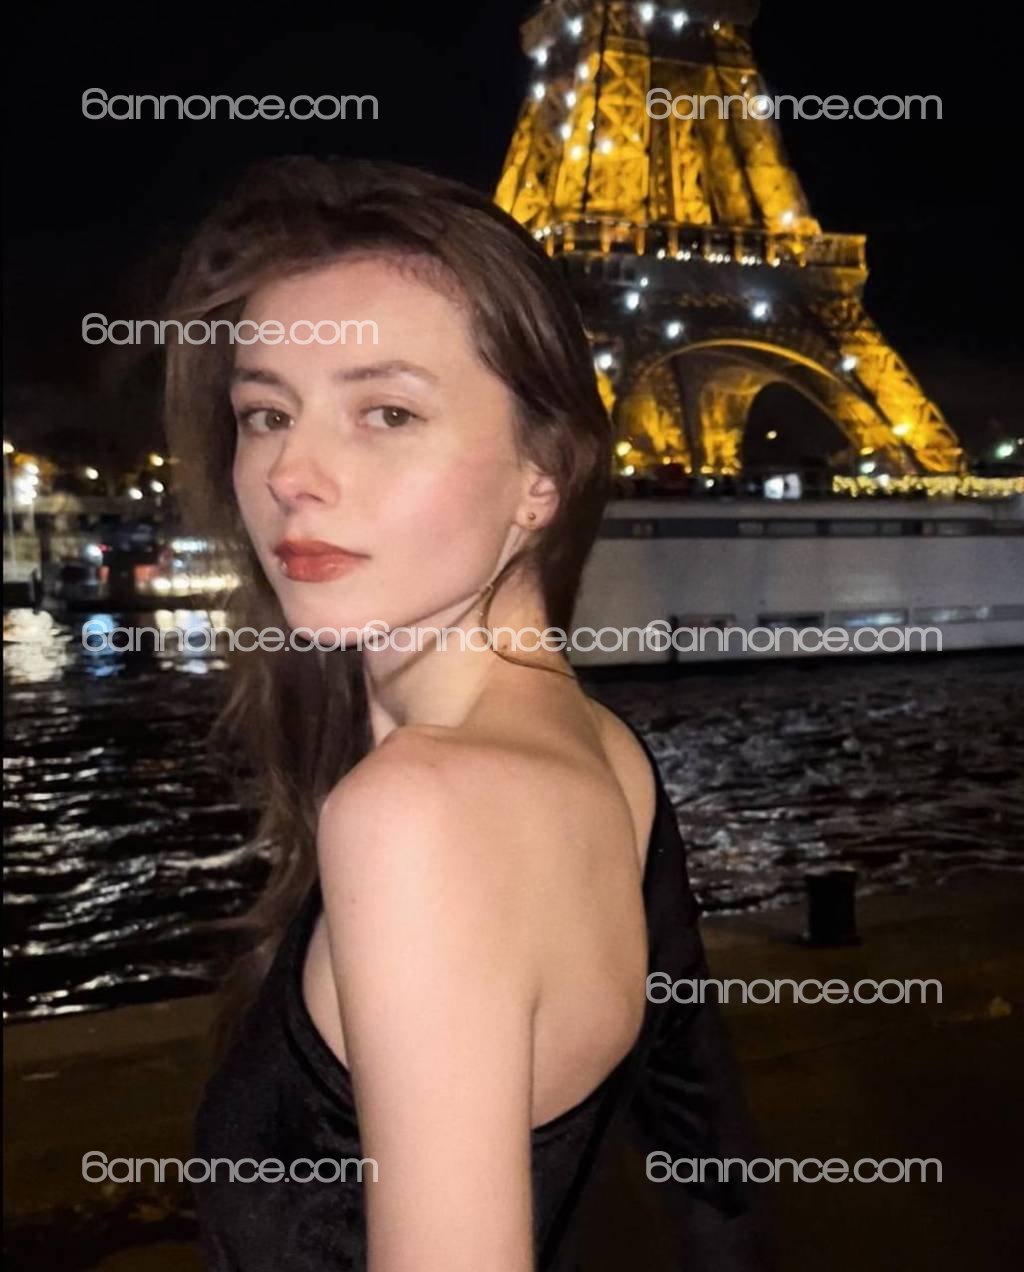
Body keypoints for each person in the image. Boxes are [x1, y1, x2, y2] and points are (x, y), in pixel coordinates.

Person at [165, 156, 771, 1271]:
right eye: (266, 412)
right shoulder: (598, 750)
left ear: (542, 475)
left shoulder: (419, 814)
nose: (292, 471)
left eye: (387, 412)